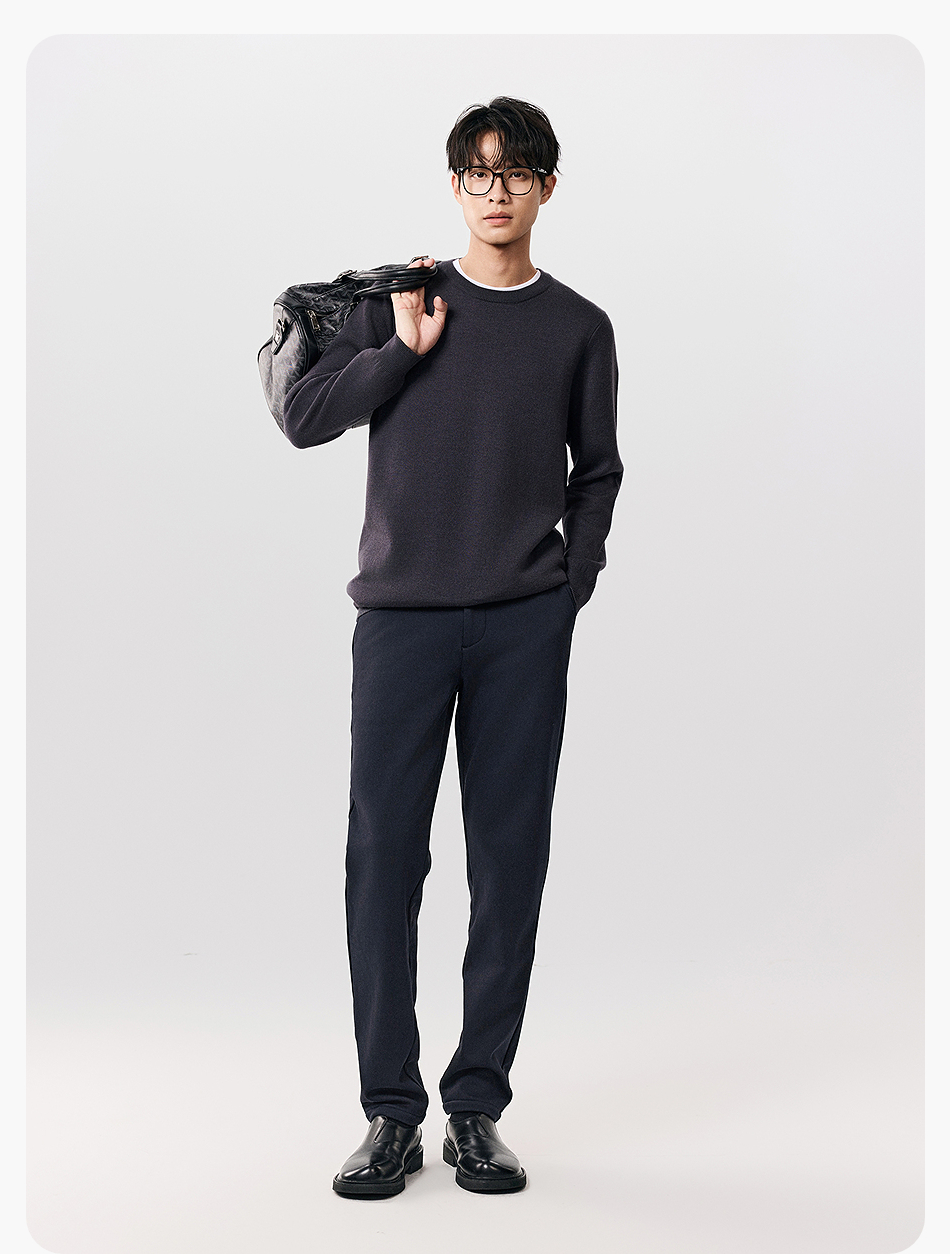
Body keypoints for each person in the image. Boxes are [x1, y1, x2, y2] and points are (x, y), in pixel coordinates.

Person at [281, 96, 624, 1198]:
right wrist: (400, 352)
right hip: (400, 621)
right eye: (477, 172)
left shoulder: (580, 326)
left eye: (516, 172)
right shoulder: (404, 300)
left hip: (523, 624)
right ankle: (390, 1114)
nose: (495, 191)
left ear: (547, 188)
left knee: (508, 862)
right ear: (454, 186)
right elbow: (305, 419)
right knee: (383, 861)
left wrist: (567, 586)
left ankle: (476, 1107)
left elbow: (597, 470)